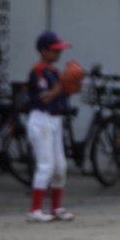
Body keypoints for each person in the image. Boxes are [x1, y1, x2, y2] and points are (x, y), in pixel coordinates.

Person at [25, 31, 75, 223]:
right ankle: (35, 210)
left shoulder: (54, 71)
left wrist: (70, 87)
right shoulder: (37, 71)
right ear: (43, 51)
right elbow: (44, 98)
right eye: (54, 50)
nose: (58, 53)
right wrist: (62, 86)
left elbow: (61, 94)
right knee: (46, 165)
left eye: (59, 50)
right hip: (41, 119)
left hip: (55, 120)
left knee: (60, 166)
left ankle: (56, 208)